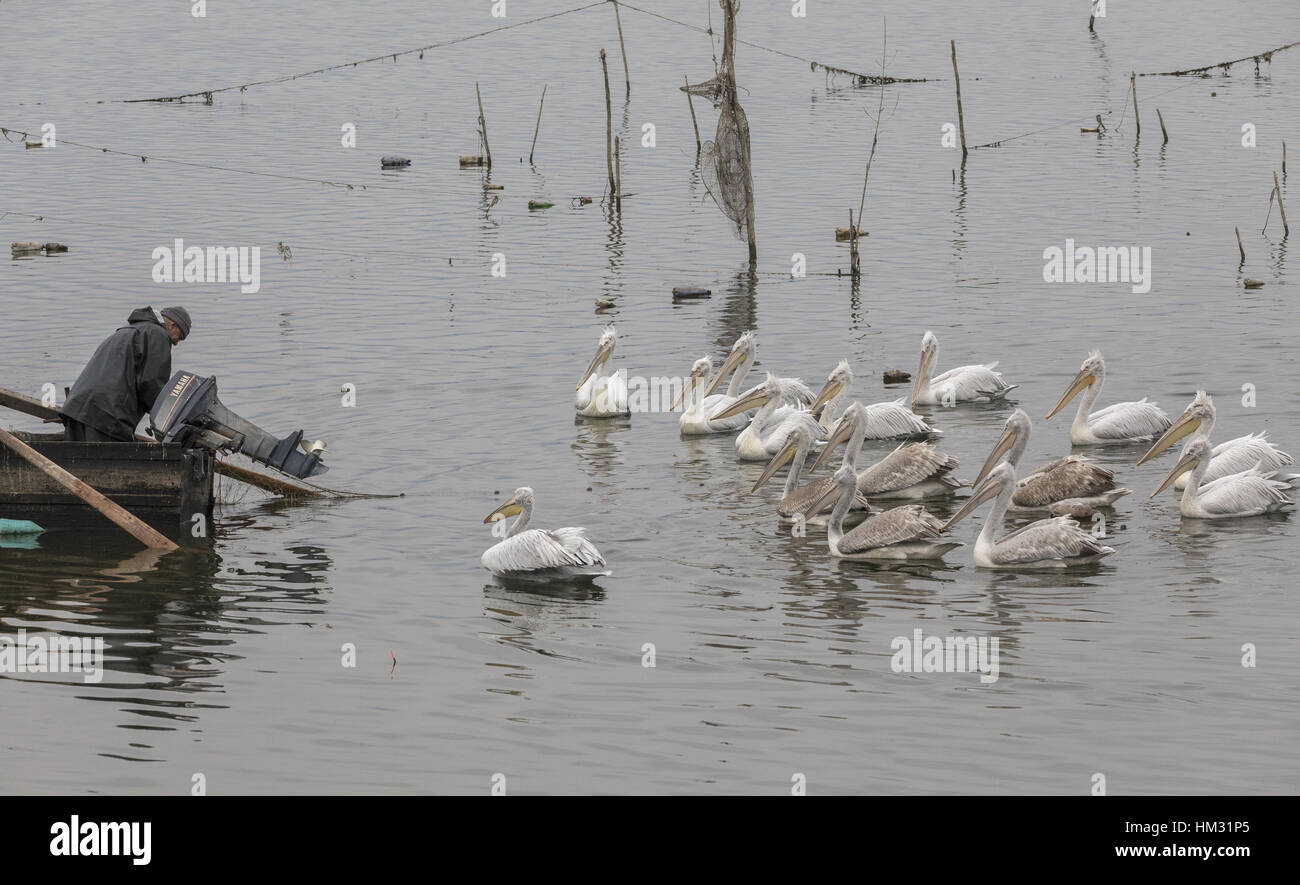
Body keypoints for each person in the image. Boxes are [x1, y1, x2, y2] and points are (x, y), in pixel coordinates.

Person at [60, 306, 192, 442]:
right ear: (172, 325)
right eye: (180, 337)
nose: (176, 343)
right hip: (106, 416)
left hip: (76, 409)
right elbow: (151, 383)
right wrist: (167, 415)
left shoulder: (127, 330)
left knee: (78, 460)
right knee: (107, 462)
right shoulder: (158, 334)